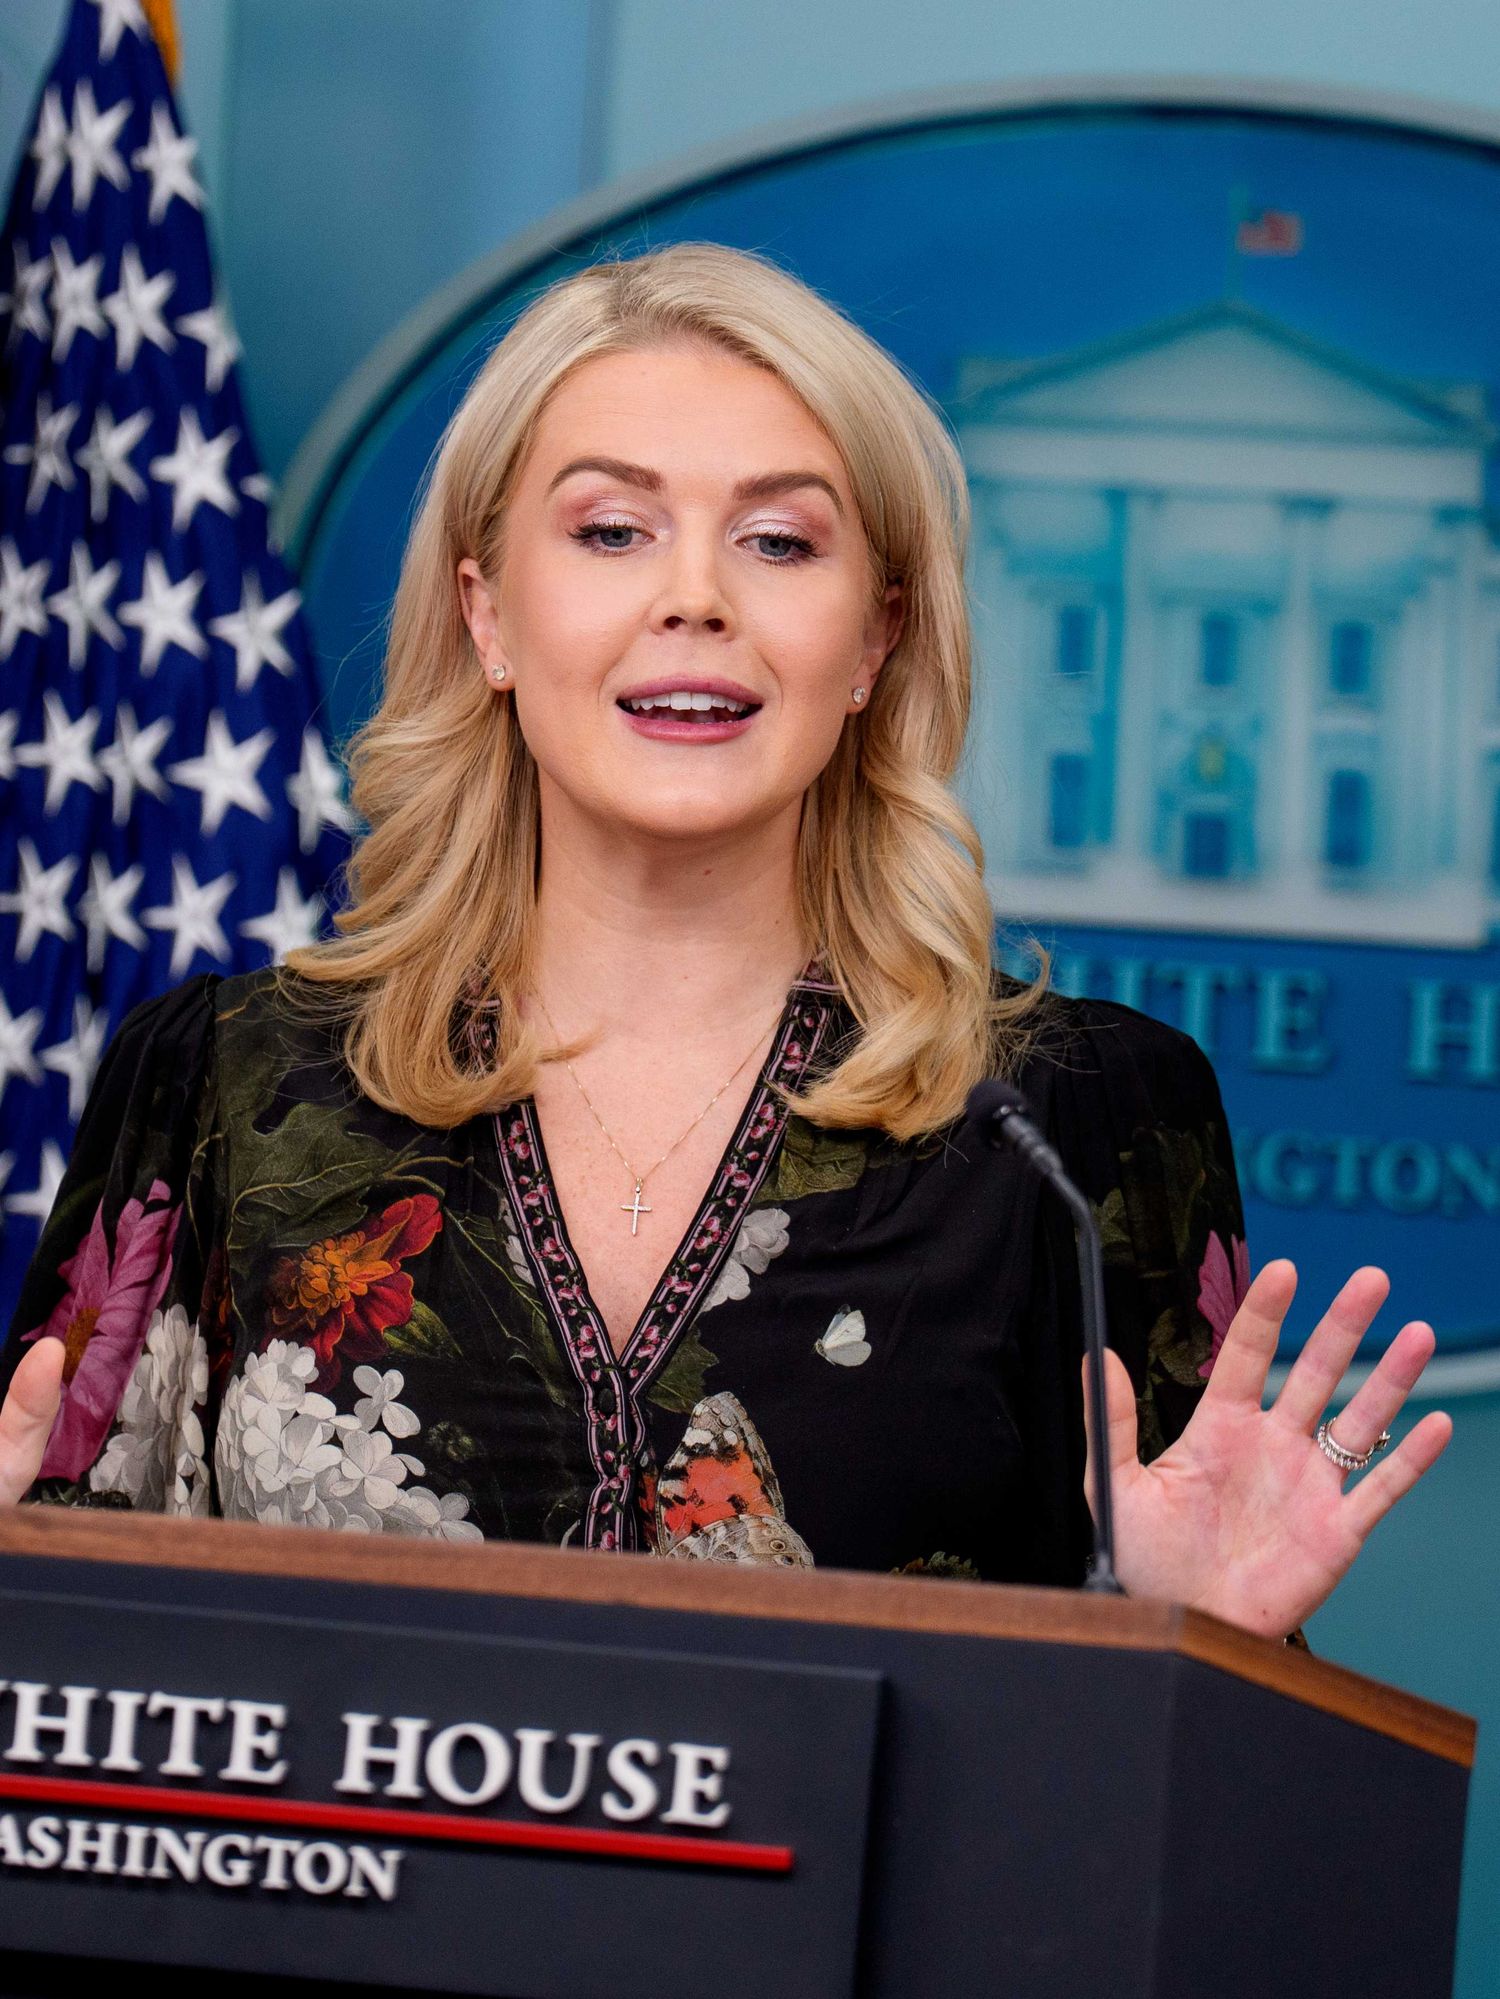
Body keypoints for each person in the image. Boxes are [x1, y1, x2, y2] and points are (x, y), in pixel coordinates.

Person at [0, 243, 1451, 1638]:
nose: (695, 596)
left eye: (777, 540)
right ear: (488, 612)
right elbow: (82, 1708)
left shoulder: (1083, 1131)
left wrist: (1200, 1647)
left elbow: (1164, 1825)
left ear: (875, 642)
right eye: (612, 530)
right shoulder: (221, 1085)